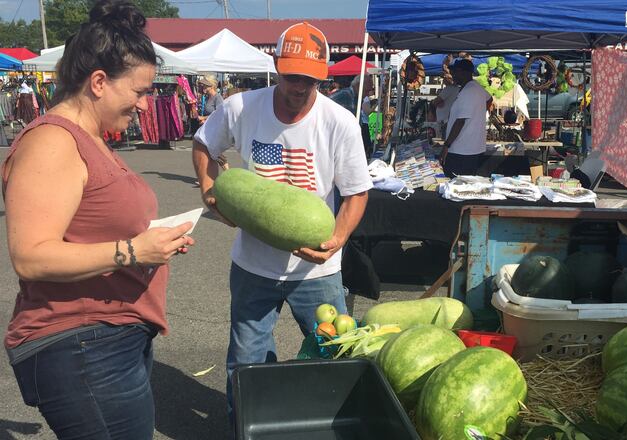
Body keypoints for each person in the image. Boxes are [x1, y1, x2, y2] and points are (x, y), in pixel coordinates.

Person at [2, 1, 195, 438]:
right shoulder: (52, 141)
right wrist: (133, 250)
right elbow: (30, 257)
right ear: (99, 82)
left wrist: (151, 243)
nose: (146, 106)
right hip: (81, 345)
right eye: (140, 92)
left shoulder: (89, 139)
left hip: (107, 339)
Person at [191, 21, 372, 420]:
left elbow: (357, 192)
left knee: (335, 354)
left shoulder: (339, 123)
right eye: (292, 76)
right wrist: (208, 187)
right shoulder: (241, 107)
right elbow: (204, 142)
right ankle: (252, 424)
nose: (299, 86)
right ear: (276, 65)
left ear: (322, 77)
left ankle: (334, 423)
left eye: (310, 80)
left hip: (317, 272)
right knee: (247, 359)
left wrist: (337, 238)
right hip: (253, 266)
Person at [441, 58, 493, 177]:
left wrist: (446, 146)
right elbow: (489, 99)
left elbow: (460, 122)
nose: (452, 75)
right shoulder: (476, 87)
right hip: (471, 148)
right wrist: (477, 114)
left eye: (455, 72)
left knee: (457, 184)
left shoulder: (468, 91)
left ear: (464, 73)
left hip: (461, 151)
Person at [330, 74, 375, 157]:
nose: (368, 94)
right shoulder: (345, 95)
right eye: (366, 90)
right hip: (338, 144)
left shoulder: (356, 98)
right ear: (359, 86)